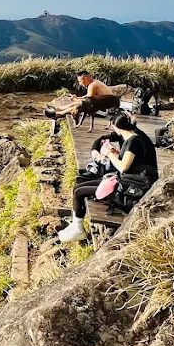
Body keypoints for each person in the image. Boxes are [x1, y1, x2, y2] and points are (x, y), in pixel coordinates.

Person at [57, 113, 159, 243]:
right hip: (126, 181)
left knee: (79, 192)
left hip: (129, 188)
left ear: (117, 127)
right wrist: (113, 153)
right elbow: (132, 164)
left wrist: (109, 154)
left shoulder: (134, 141)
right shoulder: (132, 137)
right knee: (78, 187)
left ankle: (78, 230)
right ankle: (75, 225)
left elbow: (123, 167)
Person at [52, 71, 122, 121]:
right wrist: (78, 98)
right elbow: (89, 96)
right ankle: (59, 109)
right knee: (78, 102)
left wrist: (76, 99)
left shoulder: (93, 85)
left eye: (80, 81)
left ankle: (59, 113)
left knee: (79, 104)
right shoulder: (94, 82)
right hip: (104, 102)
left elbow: (88, 101)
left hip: (108, 106)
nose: (80, 84)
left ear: (85, 79)